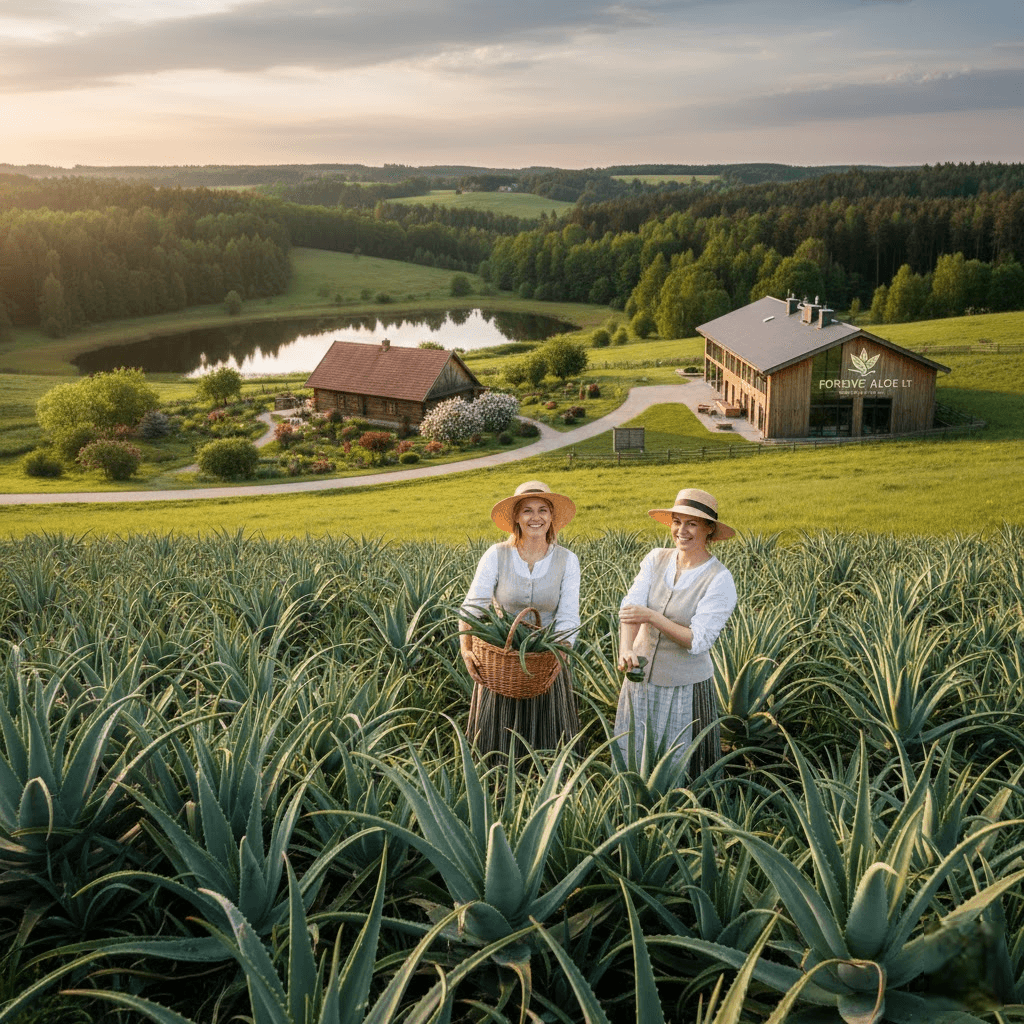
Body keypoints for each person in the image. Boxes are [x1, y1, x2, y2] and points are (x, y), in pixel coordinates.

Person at [615, 488, 737, 776]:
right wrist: (626, 649)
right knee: (635, 757)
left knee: (679, 765)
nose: (682, 531)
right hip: (640, 680)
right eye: (677, 522)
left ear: (709, 530)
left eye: (692, 524)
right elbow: (631, 606)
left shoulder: (719, 578)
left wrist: (653, 617)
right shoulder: (656, 558)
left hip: (684, 686)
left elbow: (697, 641)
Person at [459, 480, 581, 757]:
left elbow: (568, 617)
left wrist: (560, 657)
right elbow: (472, 607)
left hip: (547, 656)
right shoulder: (497, 555)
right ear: (516, 517)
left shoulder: (567, 560)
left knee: (549, 736)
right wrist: (466, 650)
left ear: (552, 517)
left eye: (542, 510)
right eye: (527, 510)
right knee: (497, 742)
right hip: (502, 657)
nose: (535, 518)